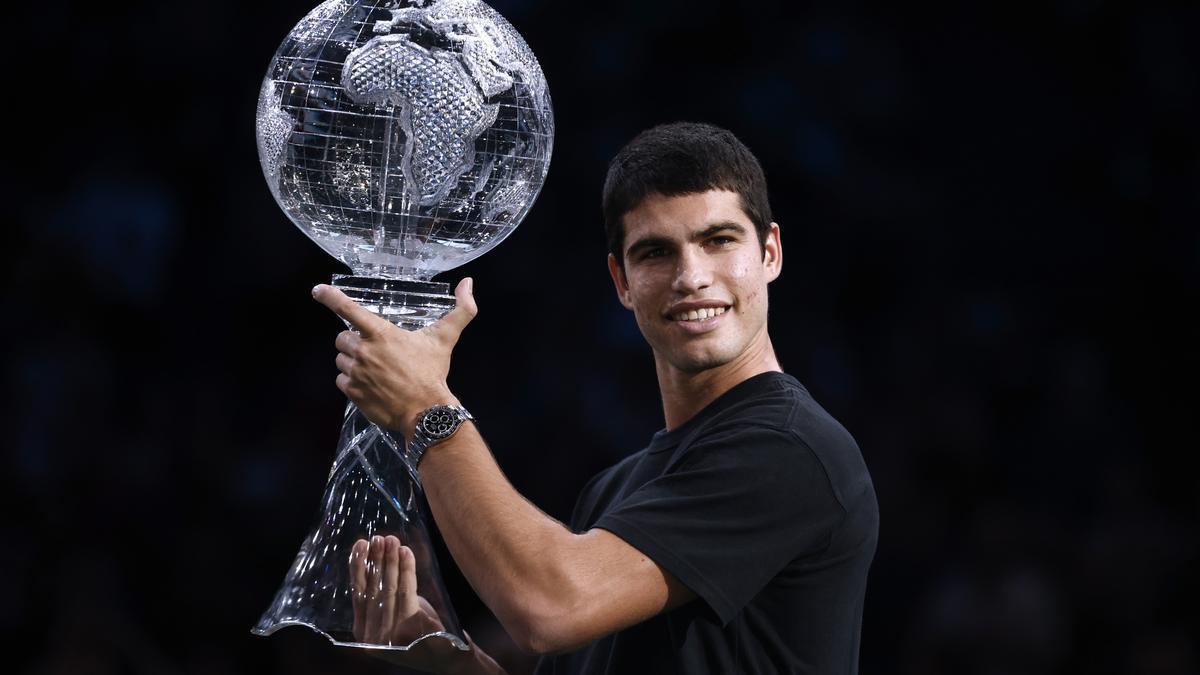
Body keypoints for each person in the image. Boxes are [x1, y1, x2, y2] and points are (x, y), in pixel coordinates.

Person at [313, 122, 879, 674]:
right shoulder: (612, 492)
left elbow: (549, 608)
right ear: (622, 281)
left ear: (770, 252)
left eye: (719, 240)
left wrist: (424, 408)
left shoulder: (791, 450)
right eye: (656, 252)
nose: (691, 276)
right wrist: (446, 662)